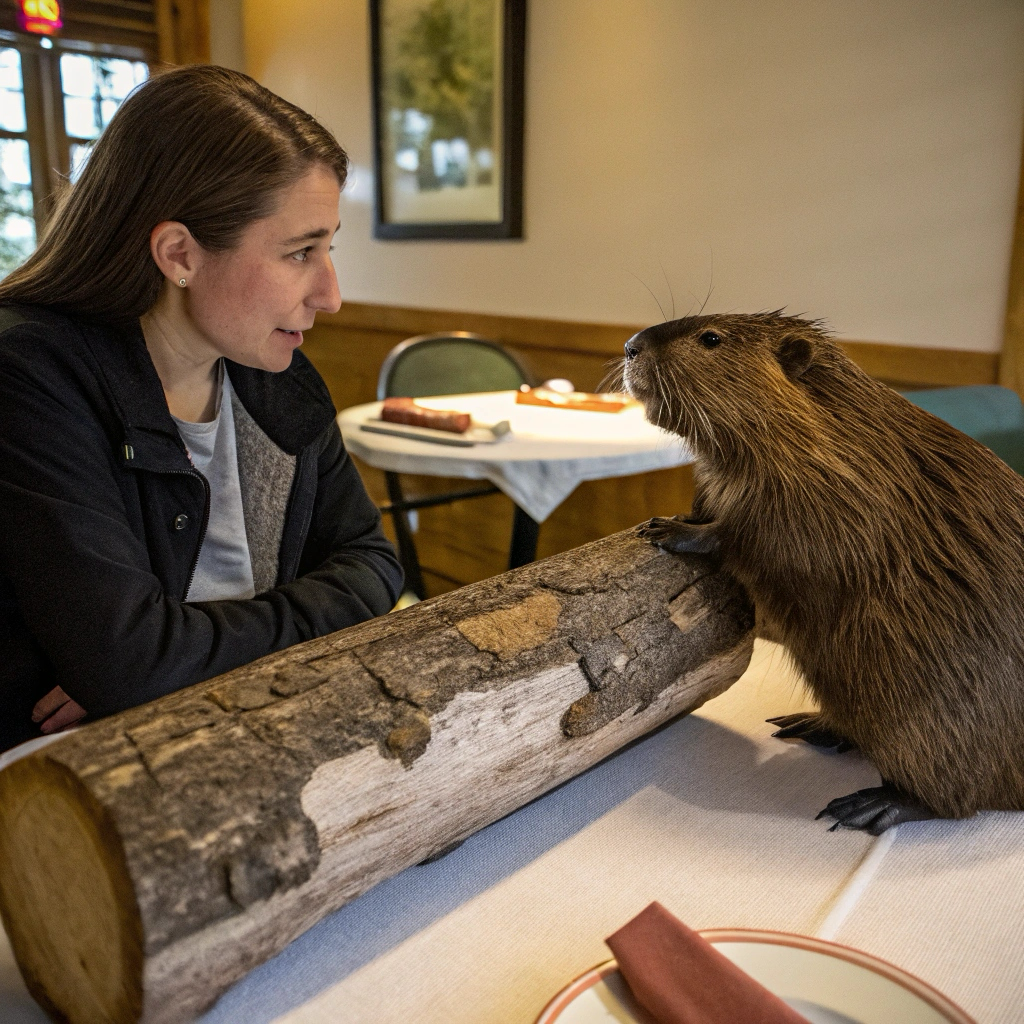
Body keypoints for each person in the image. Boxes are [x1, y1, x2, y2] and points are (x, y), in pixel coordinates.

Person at [0, 65, 403, 754]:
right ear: (179, 253)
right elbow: (135, 665)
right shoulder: (30, 374)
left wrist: (181, 657)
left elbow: (374, 562)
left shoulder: (275, 372)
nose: (331, 294)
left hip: (247, 725)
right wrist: (146, 666)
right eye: (300, 251)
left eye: (328, 247)